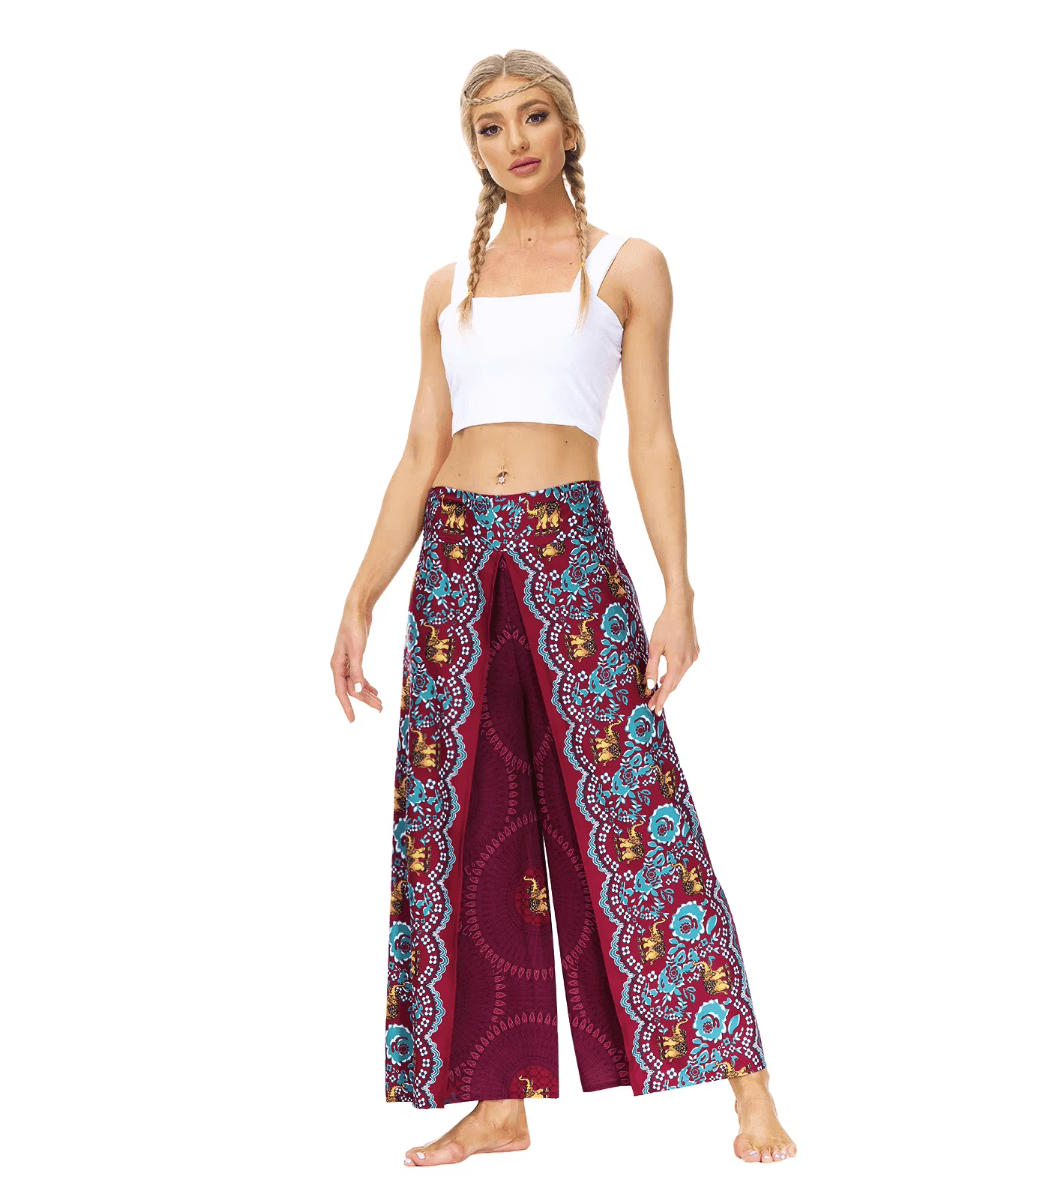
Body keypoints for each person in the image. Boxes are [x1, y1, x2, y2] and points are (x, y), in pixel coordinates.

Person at [332, 49, 797, 1167]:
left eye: (533, 117)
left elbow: (652, 438)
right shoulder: (446, 287)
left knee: (635, 806)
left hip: (569, 549)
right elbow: (418, 452)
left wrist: (680, 593)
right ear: (475, 151)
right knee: (459, 825)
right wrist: (359, 599)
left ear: (569, 129)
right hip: (454, 561)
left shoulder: (627, 267)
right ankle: (498, 1104)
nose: (515, 141)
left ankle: (749, 1083)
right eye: (490, 128)